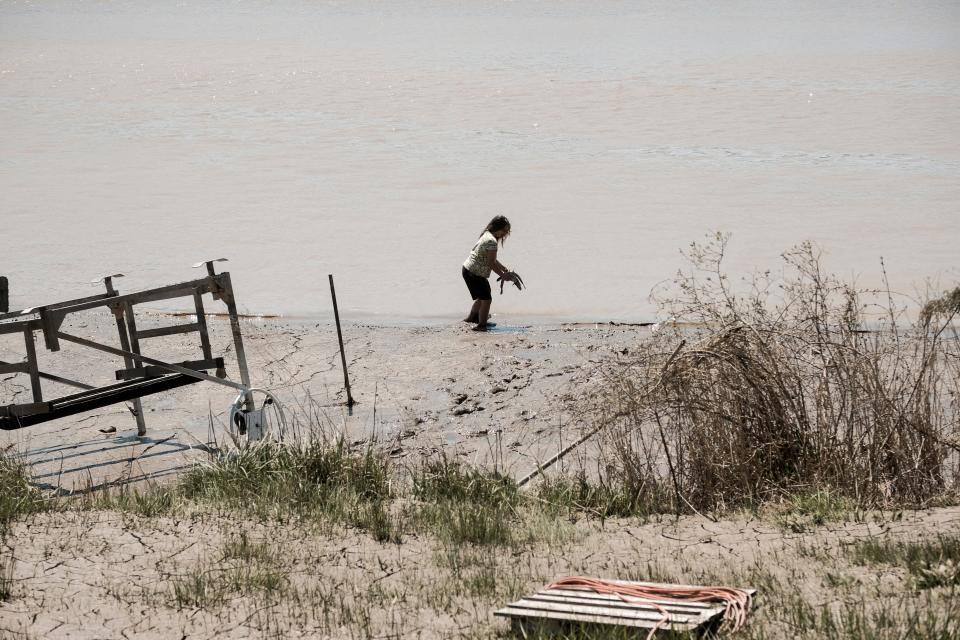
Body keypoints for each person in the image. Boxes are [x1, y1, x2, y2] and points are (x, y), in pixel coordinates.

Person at [462, 215, 517, 331]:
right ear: (497, 227)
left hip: (468, 270)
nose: (505, 234)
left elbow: (491, 259)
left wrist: (502, 267)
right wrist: (503, 275)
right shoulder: (492, 241)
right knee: (487, 299)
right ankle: (481, 325)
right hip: (475, 273)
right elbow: (491, 263)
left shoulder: (486, 234)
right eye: (504, 230)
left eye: (507, 232)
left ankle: (472, 318)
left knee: (482, 296)